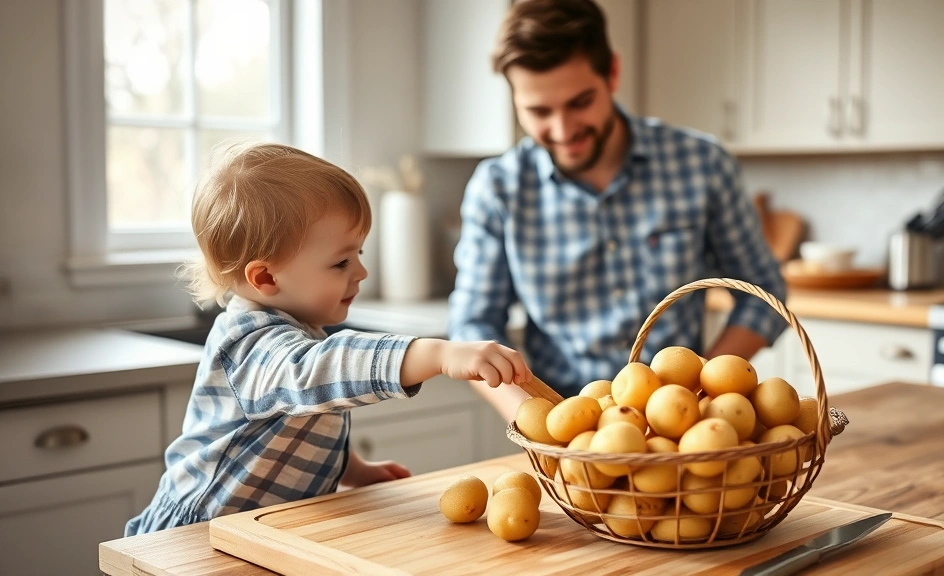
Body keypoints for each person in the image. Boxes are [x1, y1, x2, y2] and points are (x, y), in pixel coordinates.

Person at [126, 143, 531, 536]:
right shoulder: (249, 344)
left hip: (254, 530)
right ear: (265, 278)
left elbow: (299, 421)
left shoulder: (299, 329)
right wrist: (436, 352)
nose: (360, 272)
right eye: (341, 261)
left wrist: (351, 469)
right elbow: (315, 372)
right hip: (195, 531)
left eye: (358, 254)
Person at [448, 0, 787, 423]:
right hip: (566, 432)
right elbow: (472, 328)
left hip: (680, 428)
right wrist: (540, 425)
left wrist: (706, 390)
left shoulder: (701, 164)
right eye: (537, 111)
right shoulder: (497, 188)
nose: (562, 130)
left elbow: (764, 293)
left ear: (612, 74)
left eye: (580, 102)